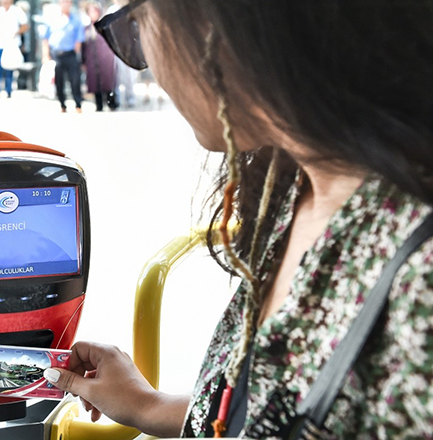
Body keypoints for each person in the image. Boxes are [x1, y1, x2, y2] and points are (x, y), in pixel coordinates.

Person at [41, 1, 433, 438]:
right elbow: (276, 406)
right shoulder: (293, 185)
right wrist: (148, 406)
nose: (145, 60)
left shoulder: (420, 272)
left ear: (214, 20)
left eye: (135, 23)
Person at [43, 0, 85, 113]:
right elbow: (46, 39)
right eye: (63, 2)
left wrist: (74, 52)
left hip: (70, 54)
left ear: (70, 4)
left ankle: (78, 104)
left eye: (67, 2)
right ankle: (62, 104)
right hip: (56, 55)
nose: (65, 4)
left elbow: (79, 40)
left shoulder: (76, 21)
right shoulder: (52, 20)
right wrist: (46, 55)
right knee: (59, 81)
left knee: (75, 80)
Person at [0, 0, 27, 98]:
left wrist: (15, 33)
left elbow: (25, 26)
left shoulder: (17, 11)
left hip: (11, 44)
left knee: (10, 67)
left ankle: (8, 90)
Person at [81, 2, 116, 112]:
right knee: (94, 82)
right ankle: (99, 104)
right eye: (91, 11)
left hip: (105, 58)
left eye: (95, 11)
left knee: (108, 81)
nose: (93, 13)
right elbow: (83, 46)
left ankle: (111, 103)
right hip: (92, 59)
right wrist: (83, 61)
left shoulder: (105, 26)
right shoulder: (86, 29)